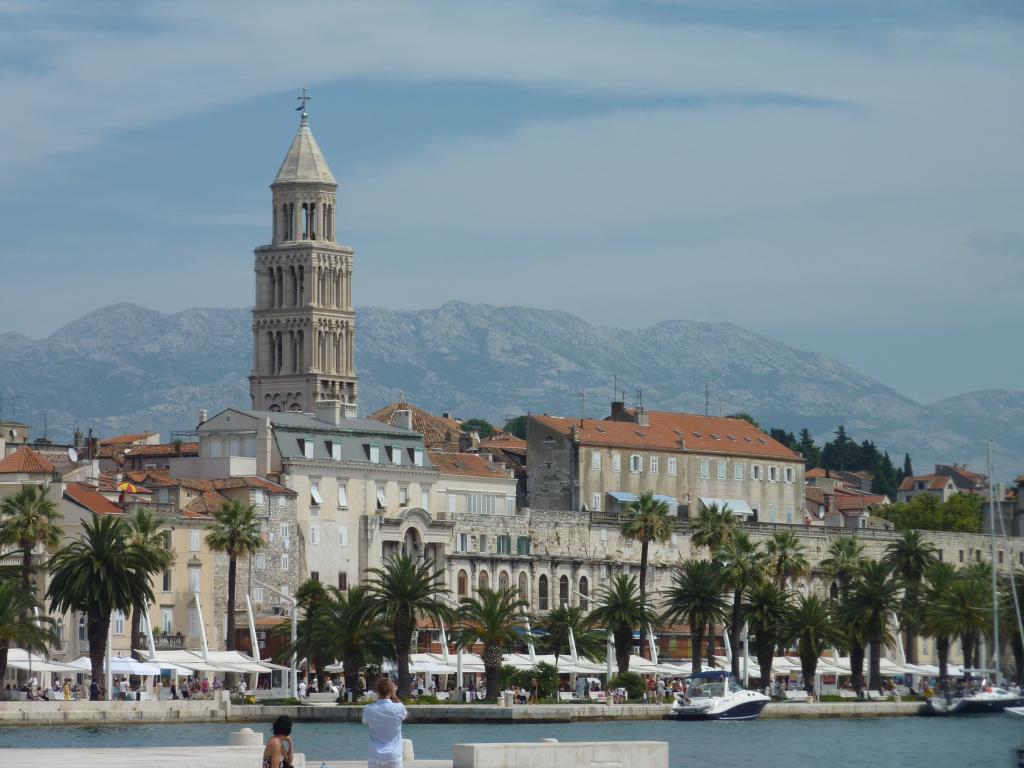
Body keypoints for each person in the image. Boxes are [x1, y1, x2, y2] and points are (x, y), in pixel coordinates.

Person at [362, 678, 408, 768]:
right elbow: (405, 714)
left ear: (377, 691)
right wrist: (394, 696)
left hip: (375, 755)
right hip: (394, 756)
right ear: (391, 690)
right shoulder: (399, 708)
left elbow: (364, 721)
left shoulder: (369, 709)